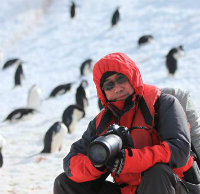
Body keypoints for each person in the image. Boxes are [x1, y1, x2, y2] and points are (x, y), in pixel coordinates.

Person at [53, 52, 200, 194]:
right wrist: (98, 163)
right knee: (64, 183)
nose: (117, 88)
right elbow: (71, 163)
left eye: (121, 79)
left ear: (132, 77)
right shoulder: (102, 122)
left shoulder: (162, 103)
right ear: (102, 92)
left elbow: (179, 151)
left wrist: (128, 159)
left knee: (157, 172)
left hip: (176, 186)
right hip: (129, 190)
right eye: (109, 86)